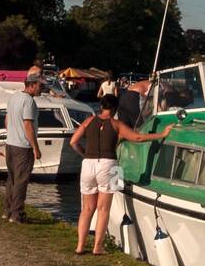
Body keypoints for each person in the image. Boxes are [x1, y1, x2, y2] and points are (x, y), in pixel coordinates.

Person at [69, 93, 173, 255]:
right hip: (109, 164)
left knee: (87, 208)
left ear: (101, 106)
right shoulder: (116, 124)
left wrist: (84, 154)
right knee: (103, 209)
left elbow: (73, 142)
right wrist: (162, 134)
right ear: (115, 109)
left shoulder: (89, 121)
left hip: (88, 164)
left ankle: (80, 246)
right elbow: (137, 137)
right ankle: (97, 247)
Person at [3, 70, 43, 223]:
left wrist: (11, 133)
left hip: (10, 144)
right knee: (21, 181)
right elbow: (28, 124)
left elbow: (7, 120)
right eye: (40, 85)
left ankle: (7, 210)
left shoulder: (13, 97)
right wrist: (35, 147)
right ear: (32, 85)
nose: (42, 88)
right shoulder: (29, 101)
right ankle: (17, 214)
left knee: (11, 179)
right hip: (22, 147)